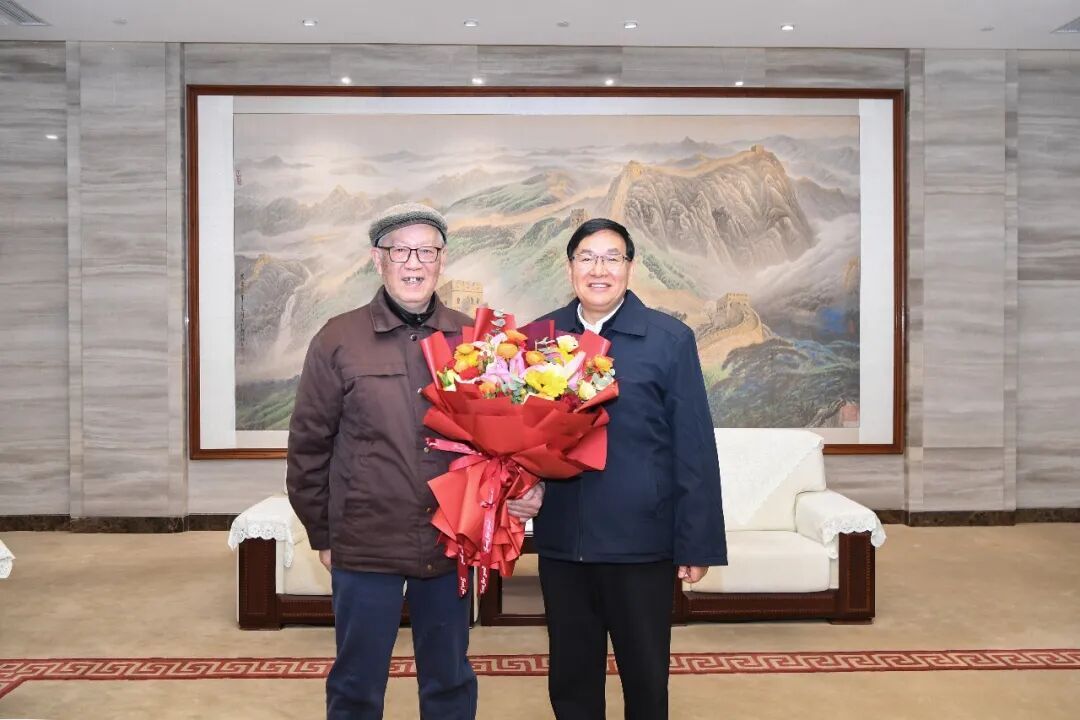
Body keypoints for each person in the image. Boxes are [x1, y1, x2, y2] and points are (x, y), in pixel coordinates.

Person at [286, 202, 543, 720]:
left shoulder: (475, 339)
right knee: (357, 684)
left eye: (426, 251)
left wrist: (525, 486)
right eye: (400, 250)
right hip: (365, 541)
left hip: (449, 542)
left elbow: (507, 438)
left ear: (442, 261)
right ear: (377, 259)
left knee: (449, 681)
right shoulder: (338, 339)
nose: (413, 262)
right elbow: (308, 448)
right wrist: (324, 534)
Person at [533, 217, 727, 720]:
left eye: (611, 258)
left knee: (645, 678)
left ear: (630, 267)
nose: (598, 270)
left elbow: (693, 446)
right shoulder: (539, 338)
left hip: (641, 542)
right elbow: (522, 436)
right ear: (570, 267)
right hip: (564, 538)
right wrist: (519, 489)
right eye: (587, 258)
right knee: (571, 679)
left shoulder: (669, 339)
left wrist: (697, 542)